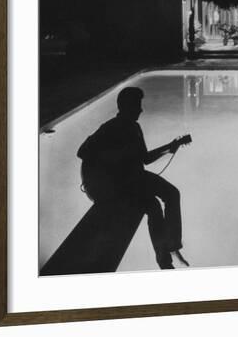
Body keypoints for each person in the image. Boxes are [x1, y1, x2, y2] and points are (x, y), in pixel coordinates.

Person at [77, 87, 189, 270]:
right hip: (114, 184)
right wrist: (115, 159)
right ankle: (171, 247)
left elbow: (144, 158)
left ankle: (165, 257)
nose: (141, 110)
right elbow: (82, 152)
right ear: (126, 106)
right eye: (137, 105)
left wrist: (171, 147)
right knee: (170, 194)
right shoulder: (111, 127)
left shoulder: (134, 127)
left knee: (154, 206)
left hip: (128, 179)